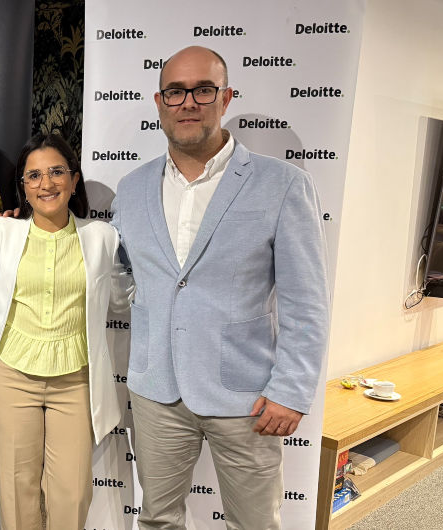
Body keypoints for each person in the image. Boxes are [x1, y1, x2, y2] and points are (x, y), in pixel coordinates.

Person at [111, 46, 330, 529]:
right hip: (157, 390)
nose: (188, 102)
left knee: (253, 524)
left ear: (225, 97)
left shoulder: (284, 184)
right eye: (175, 91)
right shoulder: (132, 187)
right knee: (157, 520)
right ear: (159, 101)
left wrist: (291, 391)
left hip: (247, 397)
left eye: (203, 89)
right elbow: (126, 278)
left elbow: (306, 301)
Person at [0, 133, 132, 530]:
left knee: (72, 496)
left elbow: (121, 301)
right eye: (33, 176)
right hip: (11, 378)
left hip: (76, 382)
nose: (45, 183)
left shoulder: (103, 237)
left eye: (55, 172)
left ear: (74, 179)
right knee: (17, 498)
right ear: (23, 188)